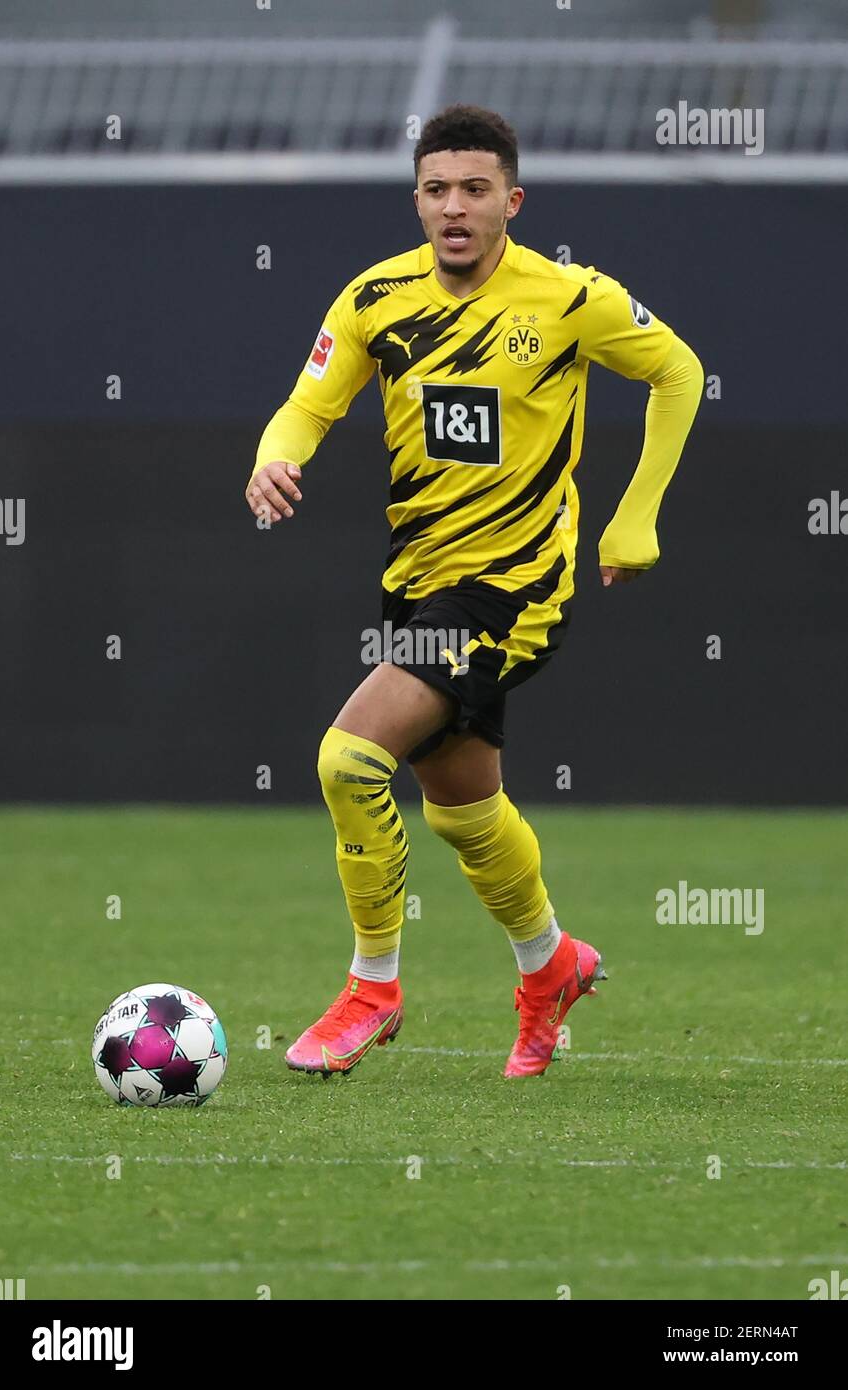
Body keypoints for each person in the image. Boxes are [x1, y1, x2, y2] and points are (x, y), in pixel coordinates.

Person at [244, 104, 703, 1079]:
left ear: (511, 201)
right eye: (435, 189)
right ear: (415, 199)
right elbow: (306, 402)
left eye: (474, 189)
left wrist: (635, 518)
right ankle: (549, 965)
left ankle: (373, 986)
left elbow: (676, 369)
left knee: (347, 758)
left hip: (513, 588)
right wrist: (272, 461)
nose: (453, 207)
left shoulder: (566, 298)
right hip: (416, 583)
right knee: (459, 810)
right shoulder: (374, 299)